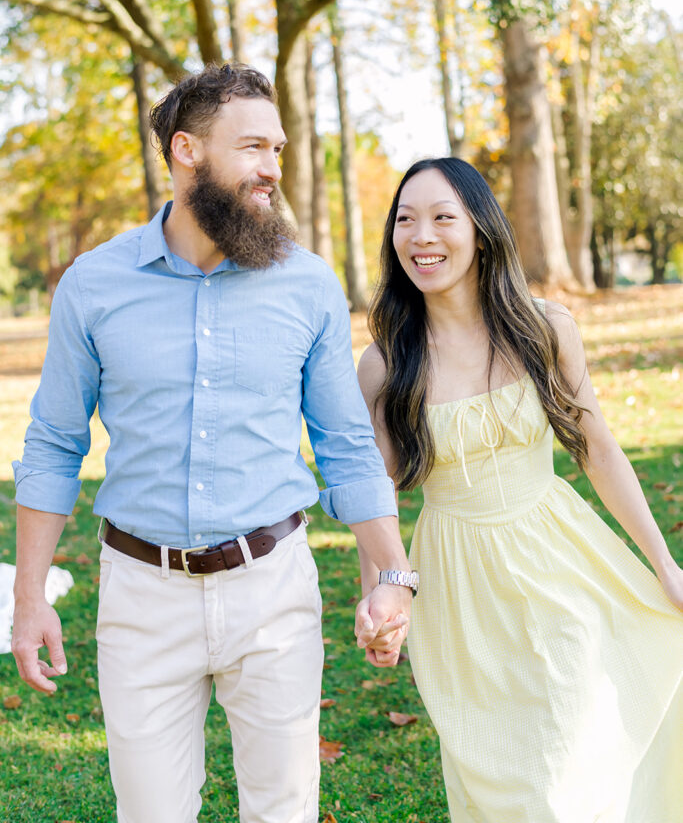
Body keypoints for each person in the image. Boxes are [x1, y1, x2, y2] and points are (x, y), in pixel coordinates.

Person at [11, 63, 416, 823]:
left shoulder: (307, 286)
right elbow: (55, 443)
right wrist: (29, 598)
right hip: (139, 596)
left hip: (273, 589)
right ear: (186, 150)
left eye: (280, 149)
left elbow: (346, 446)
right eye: (254, 147)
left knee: (283, 810)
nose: (273, 169)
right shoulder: (93, 285)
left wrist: (391, 575)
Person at [357, 156, 683, 823]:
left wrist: (663, 564)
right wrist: (381, 598)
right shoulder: (387, 364)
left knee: (561, 766)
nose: (422, 235)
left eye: (443, 217)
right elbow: (374, 497)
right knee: (503, 778)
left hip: (558, 557)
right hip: (459, 586)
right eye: (405, 219)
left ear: (480, 229)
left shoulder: (544, 328)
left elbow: (596, 449)